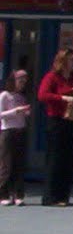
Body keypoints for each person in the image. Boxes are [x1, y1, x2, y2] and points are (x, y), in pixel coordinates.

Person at [38, 48, 73, 206]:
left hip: (72, 119)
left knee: (68, 158)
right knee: (55, 158)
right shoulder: (52, 77)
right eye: (70, 60)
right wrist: (63, 97)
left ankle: (63, 195)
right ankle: (51, 195)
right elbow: (43, 95)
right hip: (57, 120)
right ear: (62, 62)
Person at [0, 70, 31, 205]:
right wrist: (16, 111)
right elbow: (1, 114)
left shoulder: (21, 97)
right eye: (20, 81)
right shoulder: (5, 96)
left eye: (24, 82)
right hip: (8, 131)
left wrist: (25, 113)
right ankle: (3, 194)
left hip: (20, 130)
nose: (22, 85)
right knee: (6, 163)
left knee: (19, 164)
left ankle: (18, 193)